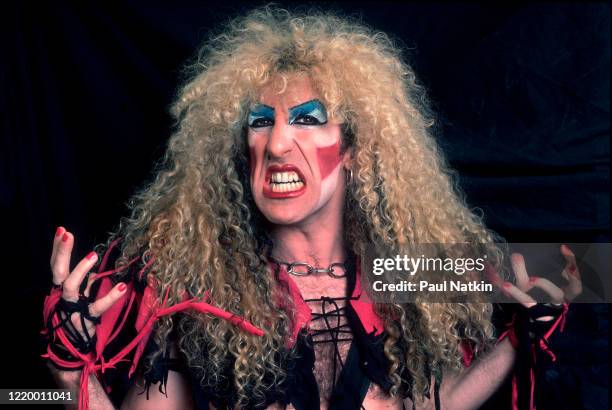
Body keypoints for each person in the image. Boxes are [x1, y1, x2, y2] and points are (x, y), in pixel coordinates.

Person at [42, 7, 582, 410]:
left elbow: (577, 273)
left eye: (306, 118)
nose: (277, 143)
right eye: (259, 121)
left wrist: (519, 335)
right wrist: (70, 376)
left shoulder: (409, 274)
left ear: (354, 148)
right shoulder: (199, 288)